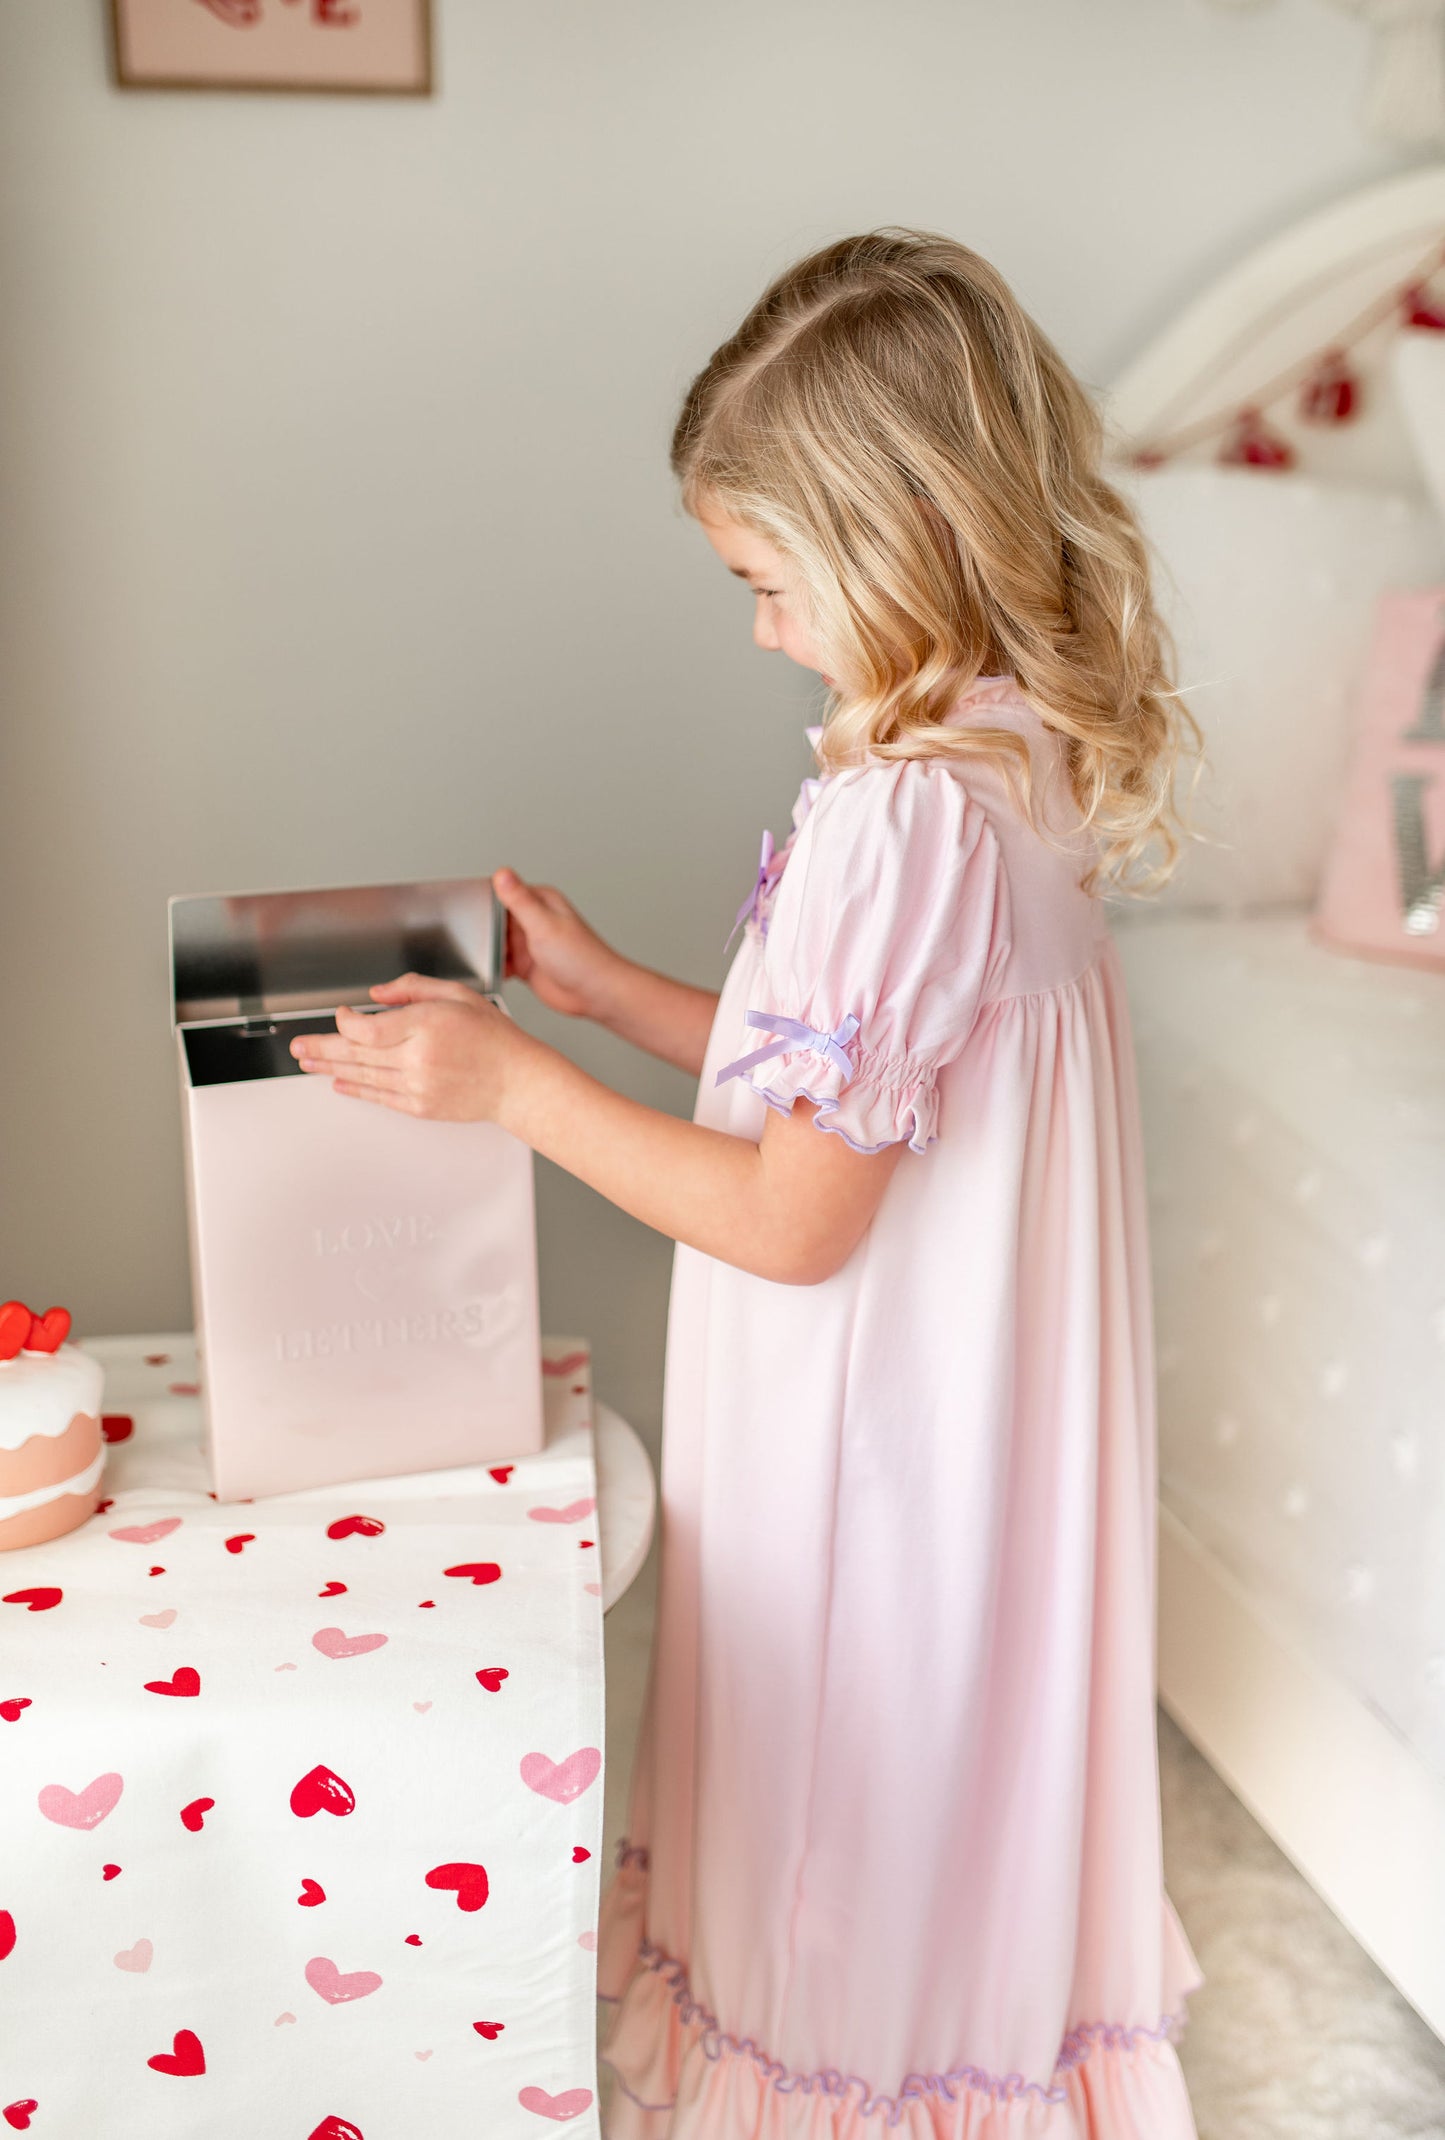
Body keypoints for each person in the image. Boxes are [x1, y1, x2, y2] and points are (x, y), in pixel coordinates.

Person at [291, 229, 1208, 2138]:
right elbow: (867, 1085)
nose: (763, 631)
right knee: (934, 1784)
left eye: (770, 583)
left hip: (871, 1445)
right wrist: (613, 988)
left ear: (898, 537)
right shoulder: (1007, 765)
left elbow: (798, 1215)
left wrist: (513, 1088)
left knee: (838, 1797)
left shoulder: (898, 814)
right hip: (969, 1442)